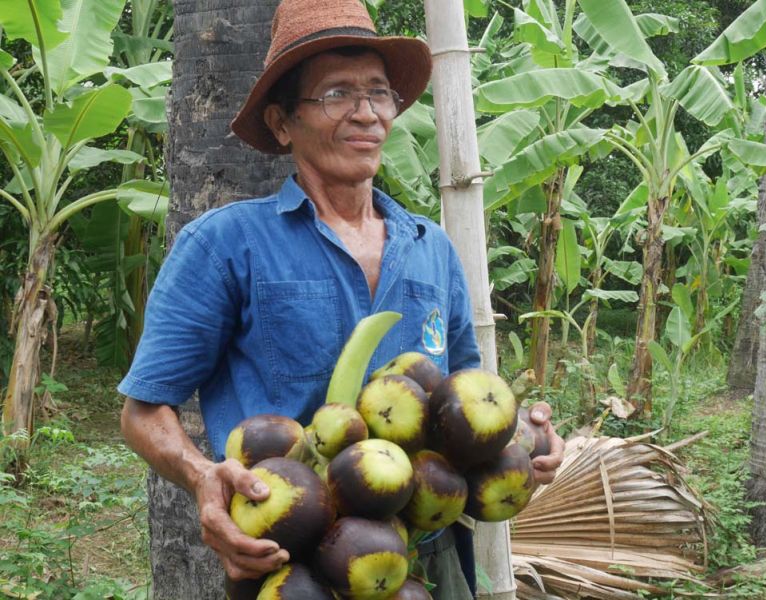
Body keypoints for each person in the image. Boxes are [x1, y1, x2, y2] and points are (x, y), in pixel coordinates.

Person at [118, 0, 565, 597]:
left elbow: (462, 394)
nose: (367, 114)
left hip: (424, 566)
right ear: (282, 123)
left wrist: (519, 441)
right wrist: (203, 476)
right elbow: (143, 409)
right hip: (293, 568)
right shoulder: (226, 244)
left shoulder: (432, 247)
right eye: (336, 95)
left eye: (379, 94)